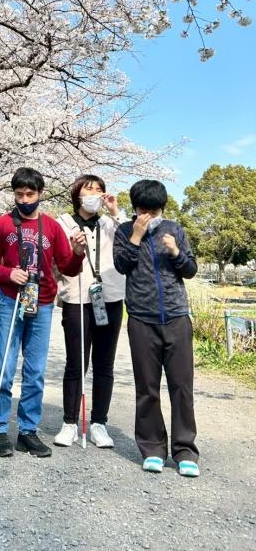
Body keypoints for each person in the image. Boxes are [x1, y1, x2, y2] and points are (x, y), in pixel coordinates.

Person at [0, 167, 87, 458]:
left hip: (42, 304)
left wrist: (78, 253)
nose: (24, 199)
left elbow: (68, 267)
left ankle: (28, 431)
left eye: (30, 194)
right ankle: (0, 429)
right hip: (10, 302)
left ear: (40, 194)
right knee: (3, 368)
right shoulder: (3, 225)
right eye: (19, 194)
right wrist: (8, 274)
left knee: (35, 372)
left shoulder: (53, 227)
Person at [113, 179, 200, 477]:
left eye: (154, 209)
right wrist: (136, 236)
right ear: (135, 208)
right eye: (142, 209)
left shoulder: (174, 229)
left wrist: (176, 252)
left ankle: (185, 451)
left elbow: (190, 270)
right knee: (147, 388)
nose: (149, 215)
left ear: (163, 208)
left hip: (176, 317)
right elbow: (122, 265)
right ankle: (152, 449)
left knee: (181, 386)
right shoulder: (124, 231)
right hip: (141, 319)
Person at [54, 174, 126, 449]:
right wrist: (74, 251)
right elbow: (57, 260)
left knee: (105, 363)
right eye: (89, 189)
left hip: (110, 296)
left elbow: (133, 241)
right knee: (76, 362)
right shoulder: (63, 223)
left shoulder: (110, 223)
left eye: (99, 189)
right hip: (77, 297)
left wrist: (115, 210)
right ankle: (70, 422)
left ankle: (99, 423)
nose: (95, 193)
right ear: (77, 194)